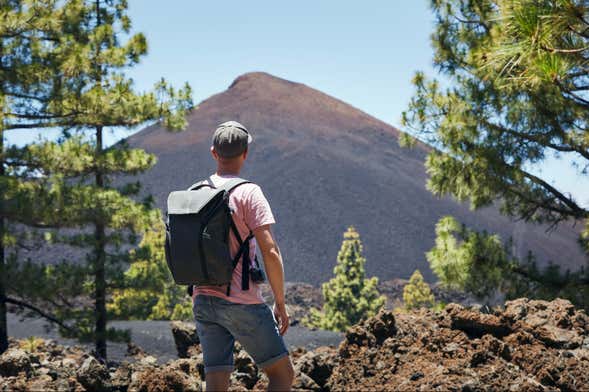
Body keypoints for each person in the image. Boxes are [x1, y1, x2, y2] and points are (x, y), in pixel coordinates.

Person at [191, 121, 294, 391]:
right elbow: (270, 250)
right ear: (245, 154)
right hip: (241, 301)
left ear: (214, 153)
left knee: (215, 384)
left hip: (202, 300)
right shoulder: (249, 192)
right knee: (282, 376)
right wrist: (280, 302)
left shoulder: (195, 192)